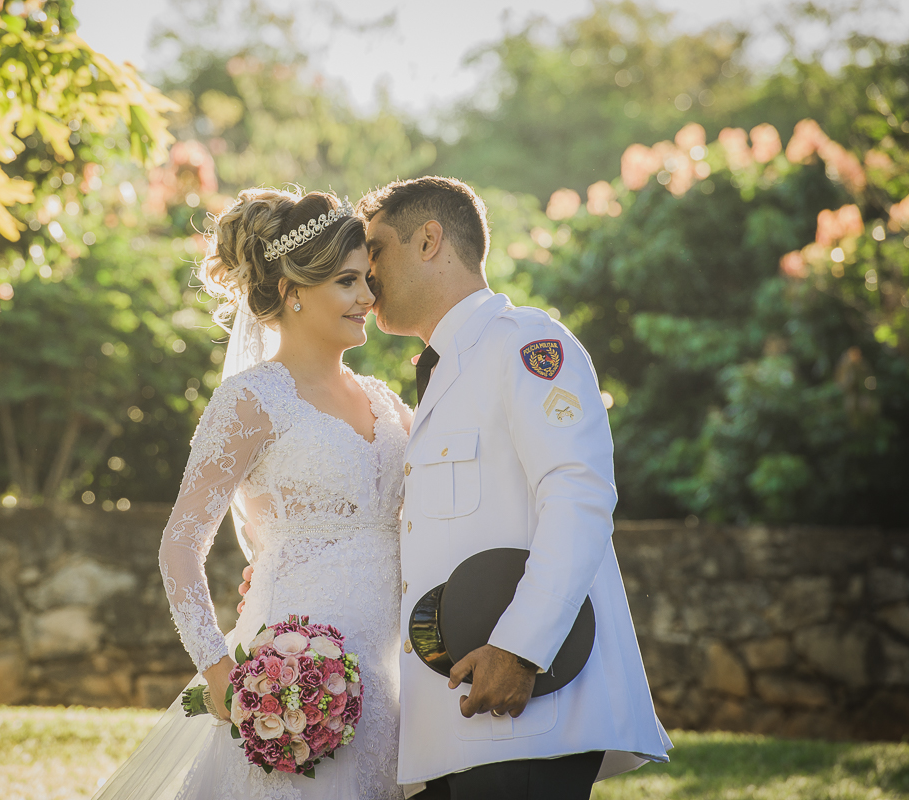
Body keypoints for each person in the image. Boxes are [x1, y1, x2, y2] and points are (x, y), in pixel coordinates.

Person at [243, 176, 673, 799]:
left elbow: (578, 494)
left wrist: (522, 648)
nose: (365, 271)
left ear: (429, 240)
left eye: (377, 248)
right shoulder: (435, 377)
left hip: (526, 707)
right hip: (451, 724)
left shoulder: (526, 343)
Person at [92, 188, 413, 800]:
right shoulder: (250, 401)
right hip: (292, 680)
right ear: (294, 290)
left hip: (386, 677)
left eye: (367, 280)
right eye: (348, 282)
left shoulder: (384, 401)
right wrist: (219, 670)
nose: (369, 298)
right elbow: (181, 545)